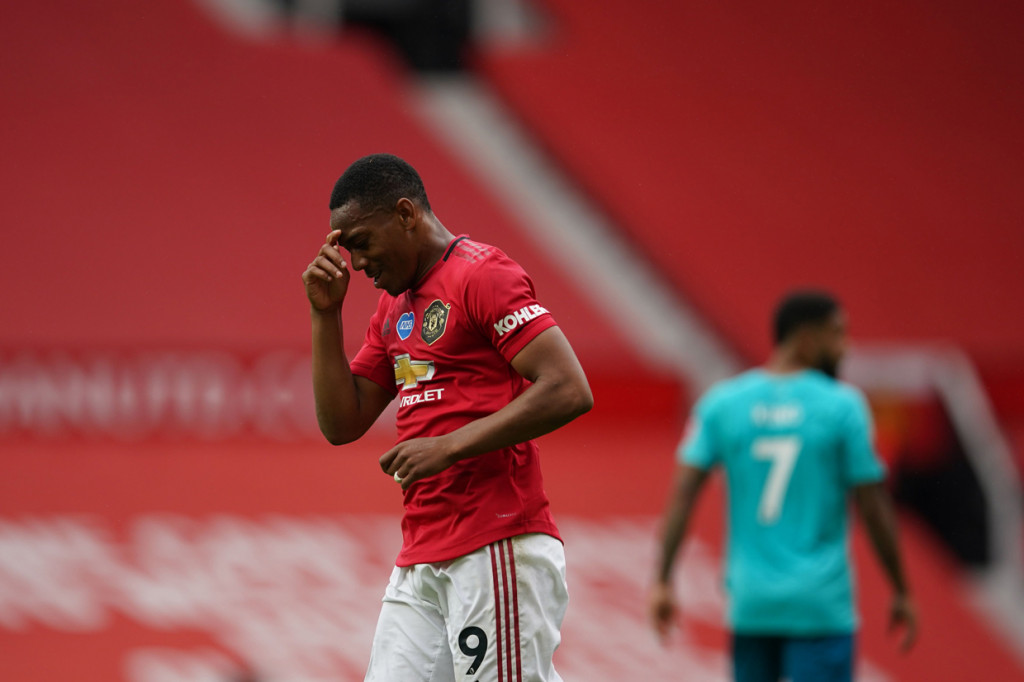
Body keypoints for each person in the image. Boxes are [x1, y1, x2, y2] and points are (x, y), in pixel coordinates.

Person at [302, 153, 593, 682]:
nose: (357, 263)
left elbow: (568, 388)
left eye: (361, 242)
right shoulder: (393, 308)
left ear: (407, 214)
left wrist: (448, 446)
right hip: (421, 554)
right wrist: (326, 315)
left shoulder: (482, 274)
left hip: (495, 543)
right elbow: (341, 424)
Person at [649, 290, 918, 682]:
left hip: (752, 604)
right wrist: (901, 589)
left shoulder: (722, 403)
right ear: (806, 338)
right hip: (820, 606)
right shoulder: (843, 406)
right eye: (837, 334)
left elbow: (683, 496)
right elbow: (874, 505)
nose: (845, 348)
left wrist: (662, 580)